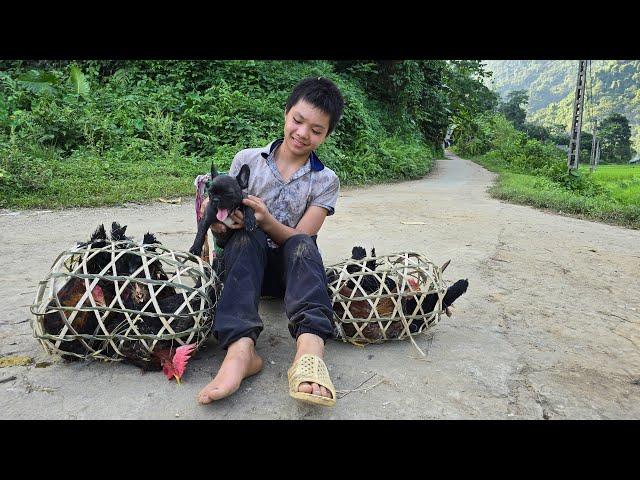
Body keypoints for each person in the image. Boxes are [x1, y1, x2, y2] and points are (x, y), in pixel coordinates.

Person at [196, 77, 345, 407]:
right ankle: (240, 352)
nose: (303, 133)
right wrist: (223, 225)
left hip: (292, 277)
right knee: (246, 238)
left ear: (327, 135)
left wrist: (266, 221)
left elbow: (302, 233)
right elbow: (220, 233)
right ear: (286, 113)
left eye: (316, 130)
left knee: (303, 245)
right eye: (298, 120)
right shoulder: (247, 161)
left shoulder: (325, 180)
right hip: (246, 270)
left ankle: (310, 350)